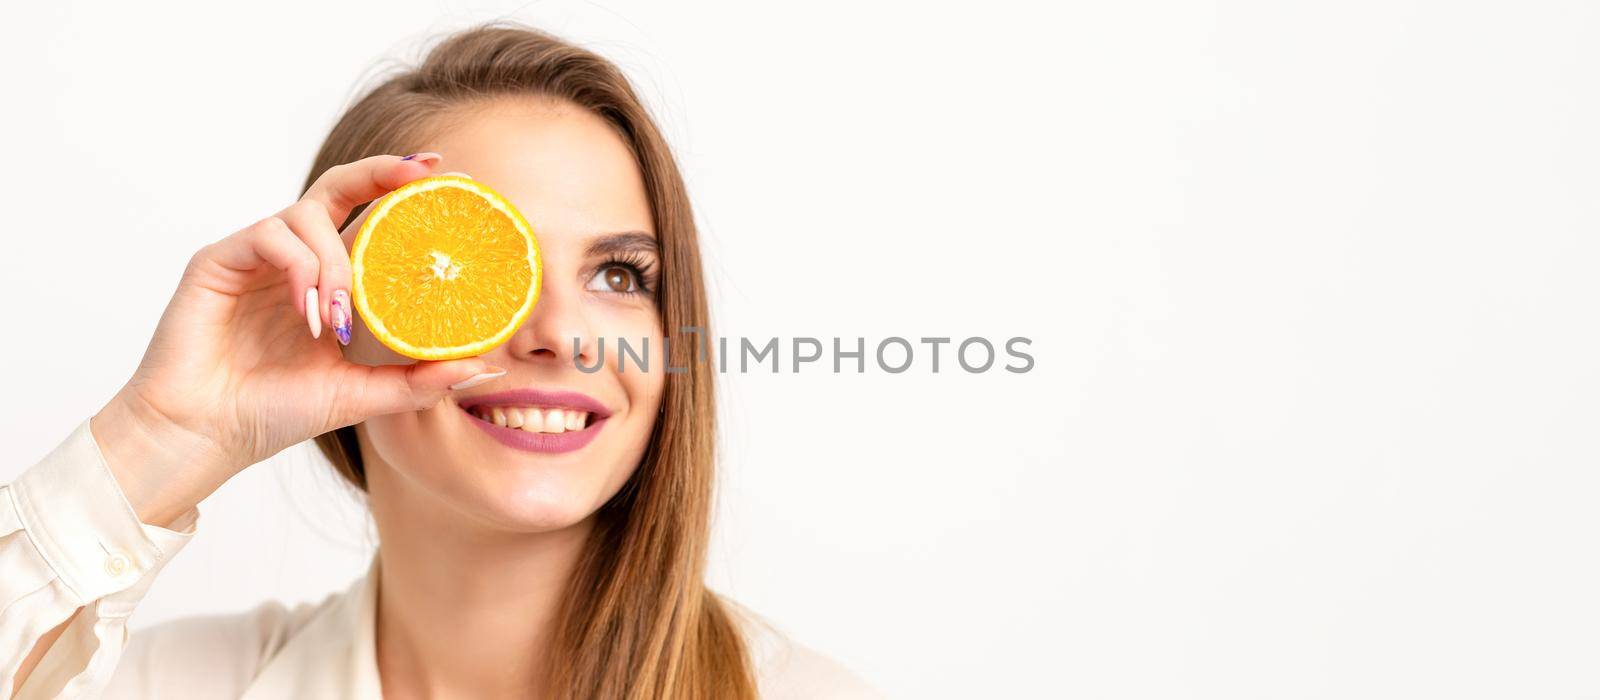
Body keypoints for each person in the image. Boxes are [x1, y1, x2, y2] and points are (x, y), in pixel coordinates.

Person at [1, 21, 880, 700]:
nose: (564, 335)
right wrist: (158, 435)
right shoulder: (170, 685)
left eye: (619, 274)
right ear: (341, 311)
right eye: (476, 272)